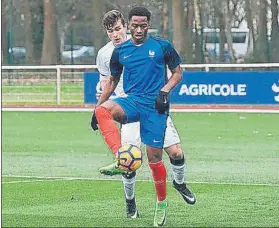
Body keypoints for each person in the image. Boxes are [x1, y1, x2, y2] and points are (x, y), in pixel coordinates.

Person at [91, 7, 195, 227]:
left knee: (165, 155)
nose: (117, 34)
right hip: (129, 103)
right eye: (111, 31)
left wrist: (164, 91)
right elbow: (109, 81)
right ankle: (128, 192)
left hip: (154, 106)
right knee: (128, 160)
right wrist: (98, 107)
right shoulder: (112, 53)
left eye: (119, 29)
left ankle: (170, 193)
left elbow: (177, 72)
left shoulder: (160, 46)